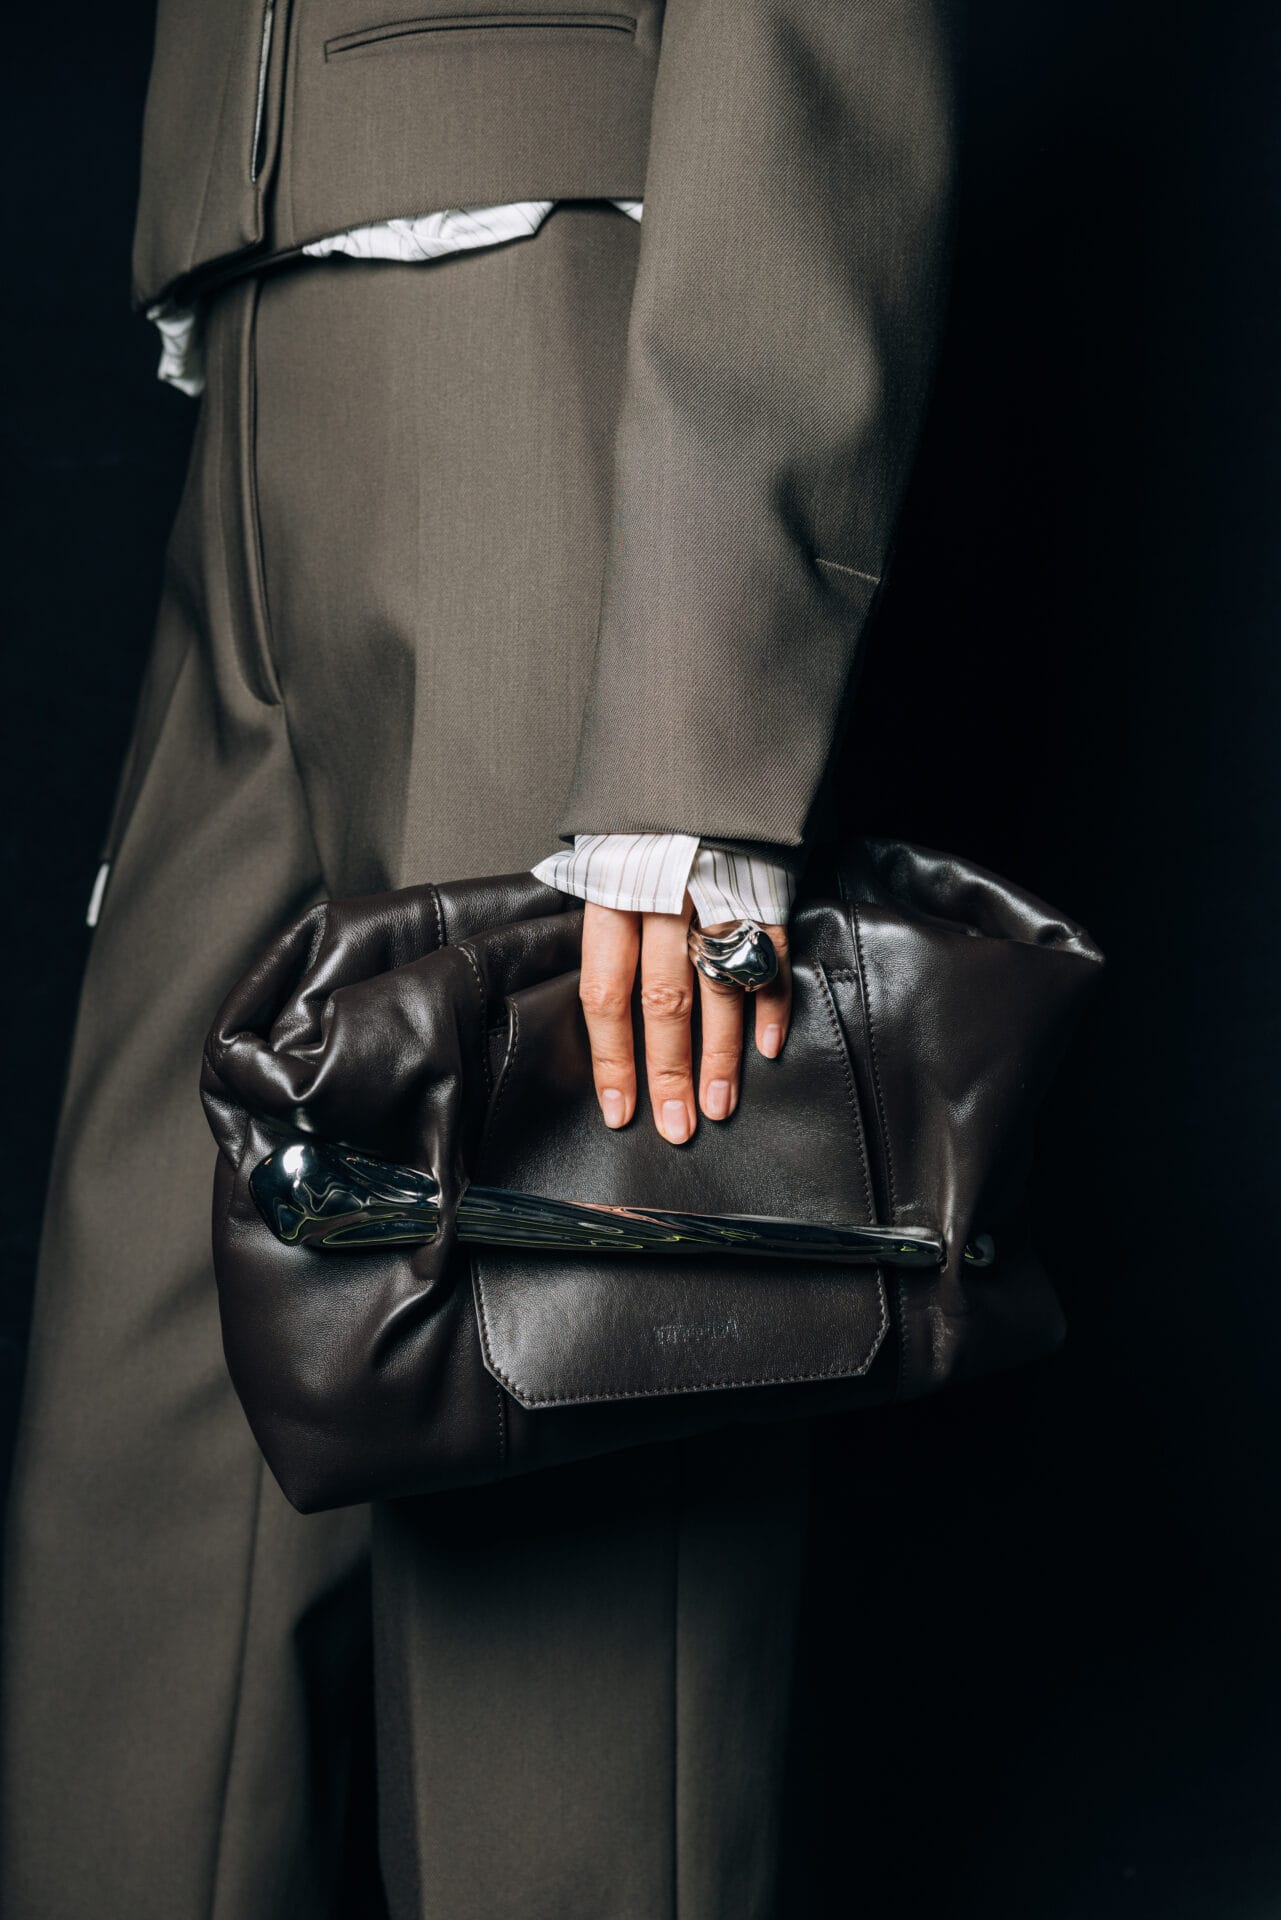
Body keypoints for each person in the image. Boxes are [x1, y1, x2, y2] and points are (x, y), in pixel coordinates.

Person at [0, 4, 958, 1915]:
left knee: (562, 1474)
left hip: (545, 350)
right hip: (258, 369)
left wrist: (690, 740)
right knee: (146, 1516)